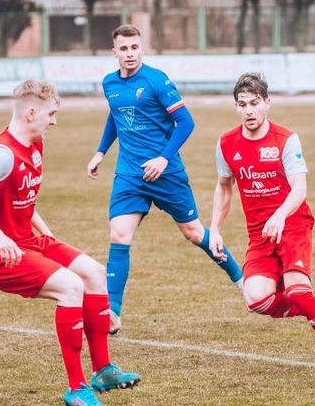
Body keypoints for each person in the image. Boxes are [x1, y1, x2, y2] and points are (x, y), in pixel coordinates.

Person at [0, 80, 139, 406]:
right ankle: (76, 388)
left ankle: (103, 370)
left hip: (28, 241)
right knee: (71, 287)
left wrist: (45, 232)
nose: (54, 121)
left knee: (94, 273)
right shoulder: (1, 154)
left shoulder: (35, 144)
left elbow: (19, 196)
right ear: (31, 112)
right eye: (51, 114)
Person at [86, 24, 243, 334]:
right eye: (124, 49)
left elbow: (185, 122)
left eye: (135, 47)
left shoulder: (157, 81)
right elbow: (117, 115)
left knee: (194, 233)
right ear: (114, 52)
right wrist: (100, 152)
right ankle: (113, 313)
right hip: (130, 174)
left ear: (142, 49)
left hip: (166, 173)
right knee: (119, 234)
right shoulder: (109, 83)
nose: (130, 54)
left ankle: (241, 280)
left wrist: (163, 158)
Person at [208, 73, 315, 378]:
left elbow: (299, 188)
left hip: (292, 224)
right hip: (259, 234)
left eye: (254, 103)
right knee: (256, 299)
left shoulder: (286, 140)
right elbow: (224, 187)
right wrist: (215, 228)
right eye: (242, 104)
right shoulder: (226, 143)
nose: (249, 110)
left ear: (267, 103)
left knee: (298, 291)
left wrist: (279, 215)